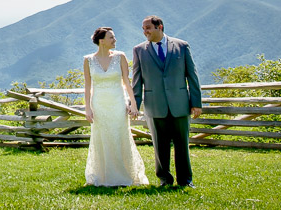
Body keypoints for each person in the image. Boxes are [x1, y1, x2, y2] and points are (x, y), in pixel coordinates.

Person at [131, 15, 202, 188]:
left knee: (182, 146)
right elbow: (137, 81)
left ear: (159, 27)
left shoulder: (181, 46)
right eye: (143, 28)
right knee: (160, 147)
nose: (145, 31)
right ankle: (164, 179)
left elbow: (192, 75)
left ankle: (186, 180)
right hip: (154, 105)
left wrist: (196, 102)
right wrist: (135, 105)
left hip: (180, 104)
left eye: (148, 27)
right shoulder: (139, 50)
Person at [83, 27, 149, 187]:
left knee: (120, 136)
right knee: (102, 138)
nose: (115, 40)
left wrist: (133, 104)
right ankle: (103, 175)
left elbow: (127, 82)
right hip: (99, 104)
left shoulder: (120, 57)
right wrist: (88, 108)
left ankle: (124, 174)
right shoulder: (88, 60)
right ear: (101, 41)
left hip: (118, 103)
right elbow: (87, 86)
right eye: (111, 37)